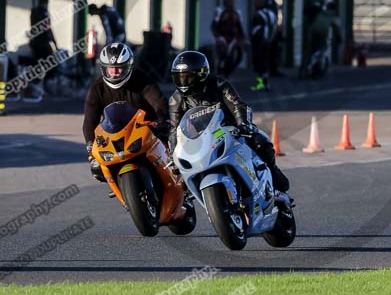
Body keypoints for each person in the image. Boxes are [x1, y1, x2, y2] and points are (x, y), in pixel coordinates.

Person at [168, 50, 289, 192]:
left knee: (259, 141)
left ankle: (273, 171)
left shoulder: (219, 84)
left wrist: (243, 124)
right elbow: (174, 129)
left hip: (230, 130)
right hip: (202, 141)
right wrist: (173, 153)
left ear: (201, 75)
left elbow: (237, 104)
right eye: (179, 78)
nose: (183, 83)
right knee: (182, 178)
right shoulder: (175, 100)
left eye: (188, 78)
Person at [82, 42, 169, 182]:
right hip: (115, 135)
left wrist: (162, 119)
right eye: (111, 69)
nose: (115, 73)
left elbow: (158, 101)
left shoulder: (141, 79)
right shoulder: (97, 88)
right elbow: (89, 122)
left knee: (171, 149)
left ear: (128, 67)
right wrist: (90, 148)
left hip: (146, 131)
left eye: (119, 69)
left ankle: (178, 181)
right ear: (103, 68)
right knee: (98, 169)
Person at [211, 0, 246, 76]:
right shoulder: (219, 11)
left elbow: (240, 27)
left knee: (238, 54)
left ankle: (228, 72)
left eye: (232, 1)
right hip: (222, 37)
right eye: (229, 1)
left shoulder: (237, 13)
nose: (231, 3)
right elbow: (214, 26)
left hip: (233, 38)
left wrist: (242, 39)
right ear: (225, 1)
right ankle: (220, 71)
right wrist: (217, 37)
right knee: (222, 55)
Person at [249, 0, 276, 92]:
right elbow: (274, 28)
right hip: (269, 42)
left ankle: (261, 84)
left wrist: (252, 38)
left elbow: (255, 31)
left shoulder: (258, 15)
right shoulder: (271, 13)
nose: (254, 3)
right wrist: (270, 39)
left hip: (260, 43)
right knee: (265, 64)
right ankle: (266, 83)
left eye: (256, 1)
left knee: (260, 65)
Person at [300, 0, 326, 76]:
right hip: (311, 26)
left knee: (319, 49)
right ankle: (306, 68)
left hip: (320, 27)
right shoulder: (310, 0)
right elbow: (306, 11)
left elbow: (324, 11)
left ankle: (317, 68)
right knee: (309, 48)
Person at [263, 0, 284, 77]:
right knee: (269, 48)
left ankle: (274, 68)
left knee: (275, 48)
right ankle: (269, 69)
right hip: (268, 25)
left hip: (274, 25)